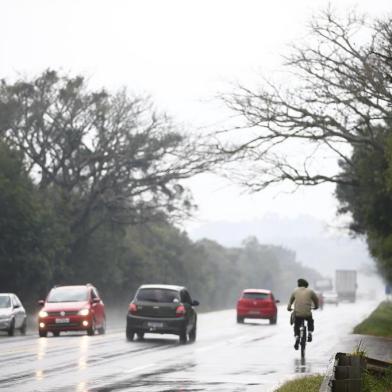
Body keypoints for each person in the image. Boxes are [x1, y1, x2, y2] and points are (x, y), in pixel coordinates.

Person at [287, 278, 319, 350]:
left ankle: (297, 337)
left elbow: (290, 301)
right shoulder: (310, 291)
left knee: (296, 325)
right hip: (307, 313)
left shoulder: (295, 291)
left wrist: (289, 308)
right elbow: (316, 300)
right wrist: (316, 306)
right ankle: (310, 333)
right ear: (306, 285)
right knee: (310, 320)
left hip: (297, 313)